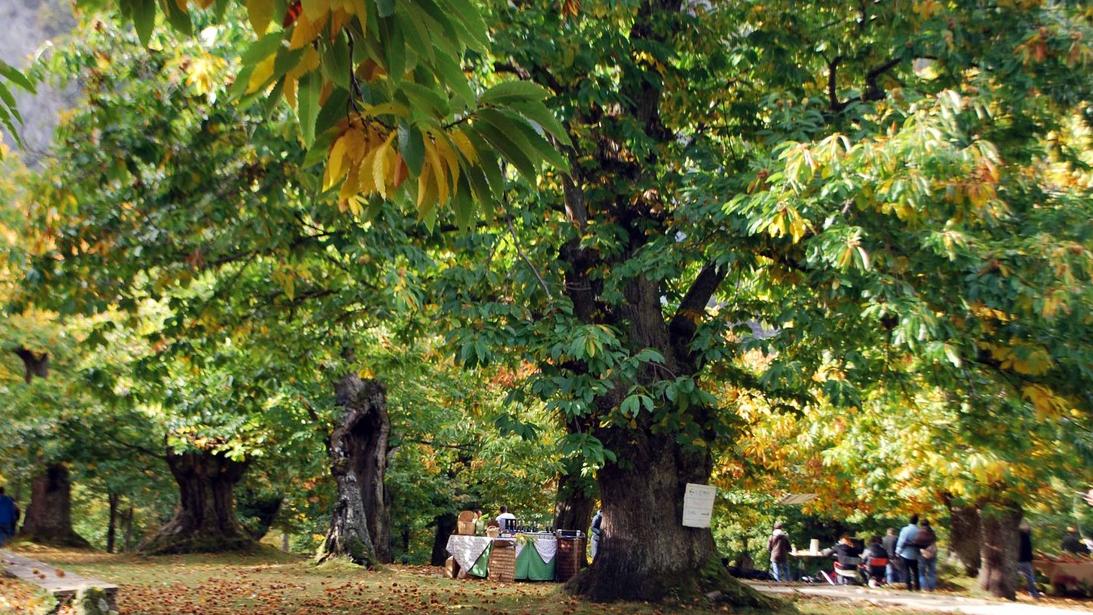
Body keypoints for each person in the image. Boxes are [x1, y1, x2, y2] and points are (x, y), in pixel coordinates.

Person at [895, 514, 921, 591]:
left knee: (906, 570)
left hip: (905, 553)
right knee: (915, 571)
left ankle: (909, 587)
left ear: (909, 520)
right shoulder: (919, 530)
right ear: (917, 521)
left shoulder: (905, 529)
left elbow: (901, 541)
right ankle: (917, 587)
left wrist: (898, 551)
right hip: (915, 553)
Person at [1018, 520, 1040, 600]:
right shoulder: (1026, 537)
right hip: (1024, 560)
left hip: (1019, 559)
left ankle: (1033, 593)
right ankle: (1033, 594)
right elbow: (1028, 550)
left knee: (1029, 577)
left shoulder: (1018, 536)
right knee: (1030, 577)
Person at [916, 519, 938, 591]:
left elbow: (916, 543)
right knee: (932, 572)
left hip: (922, 554)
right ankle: (932, 587)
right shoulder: (932, 532)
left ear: (921, 524)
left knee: (922, 572)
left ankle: (924, 587)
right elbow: (934, 540)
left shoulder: (919, 532)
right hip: (932, 553)